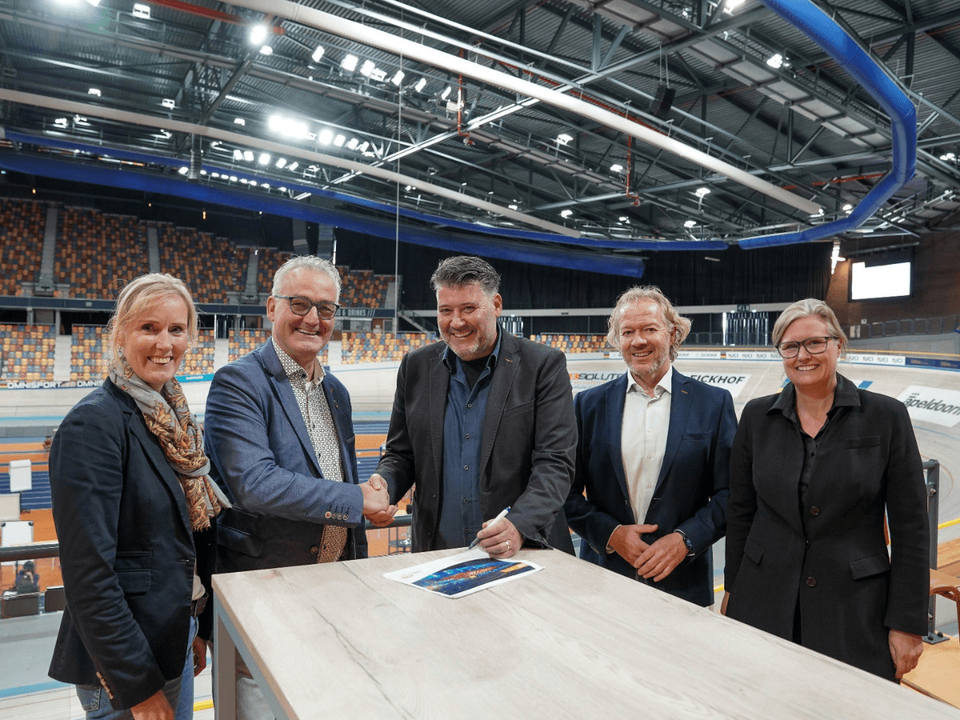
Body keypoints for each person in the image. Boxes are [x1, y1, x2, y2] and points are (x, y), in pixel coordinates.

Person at [204, 255, 389, 719]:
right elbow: (255, 485)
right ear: (271, 308)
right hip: (265, 594)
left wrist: (369, 508)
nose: (313, 319)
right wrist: (357, 501)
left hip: (335, 593)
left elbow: (342, 479)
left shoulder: (337, 393)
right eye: (300, 303)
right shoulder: (238, 382)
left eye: (325, 309)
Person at [48, 273, 227, 720]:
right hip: (129, 664)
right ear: (120, 333)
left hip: (174, 638)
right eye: (149, 328)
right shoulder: (93, 425)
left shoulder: (177, 421)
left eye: (176, 329)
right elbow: (89, 576)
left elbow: (185, 540)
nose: (164, 342)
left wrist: (196, 628)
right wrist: (138, 688)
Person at [723, 298, 929, 681]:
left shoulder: (886, 416)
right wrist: (733, 588)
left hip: (854, 609)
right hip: (763, 597)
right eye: (790, 346)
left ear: (837, 345)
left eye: (815, 342)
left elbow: (911, 527)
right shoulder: (756, 416)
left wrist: (907, 622)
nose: (803, 355)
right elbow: (741, 511)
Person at [368, 255, 577, 557]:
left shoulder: (543, 365)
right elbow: (401, 454)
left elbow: (555, 463)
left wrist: (519, 524)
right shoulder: (415, 366)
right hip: (437, 554)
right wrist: (384, 486)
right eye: (446, 311)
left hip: (522, 552)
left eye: (468, 308)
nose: (456, 322)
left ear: (496, 305)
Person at [563, 286, 736, 607]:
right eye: (627, 332)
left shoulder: (713, 403)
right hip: (602, 581)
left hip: (683, 583)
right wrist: (611, 535)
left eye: (649, 329)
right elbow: (565, 492)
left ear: (672, 334)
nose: (638, 341)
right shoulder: (588, 405)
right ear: (618, 340)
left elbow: (731, 493)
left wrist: (685, 541)